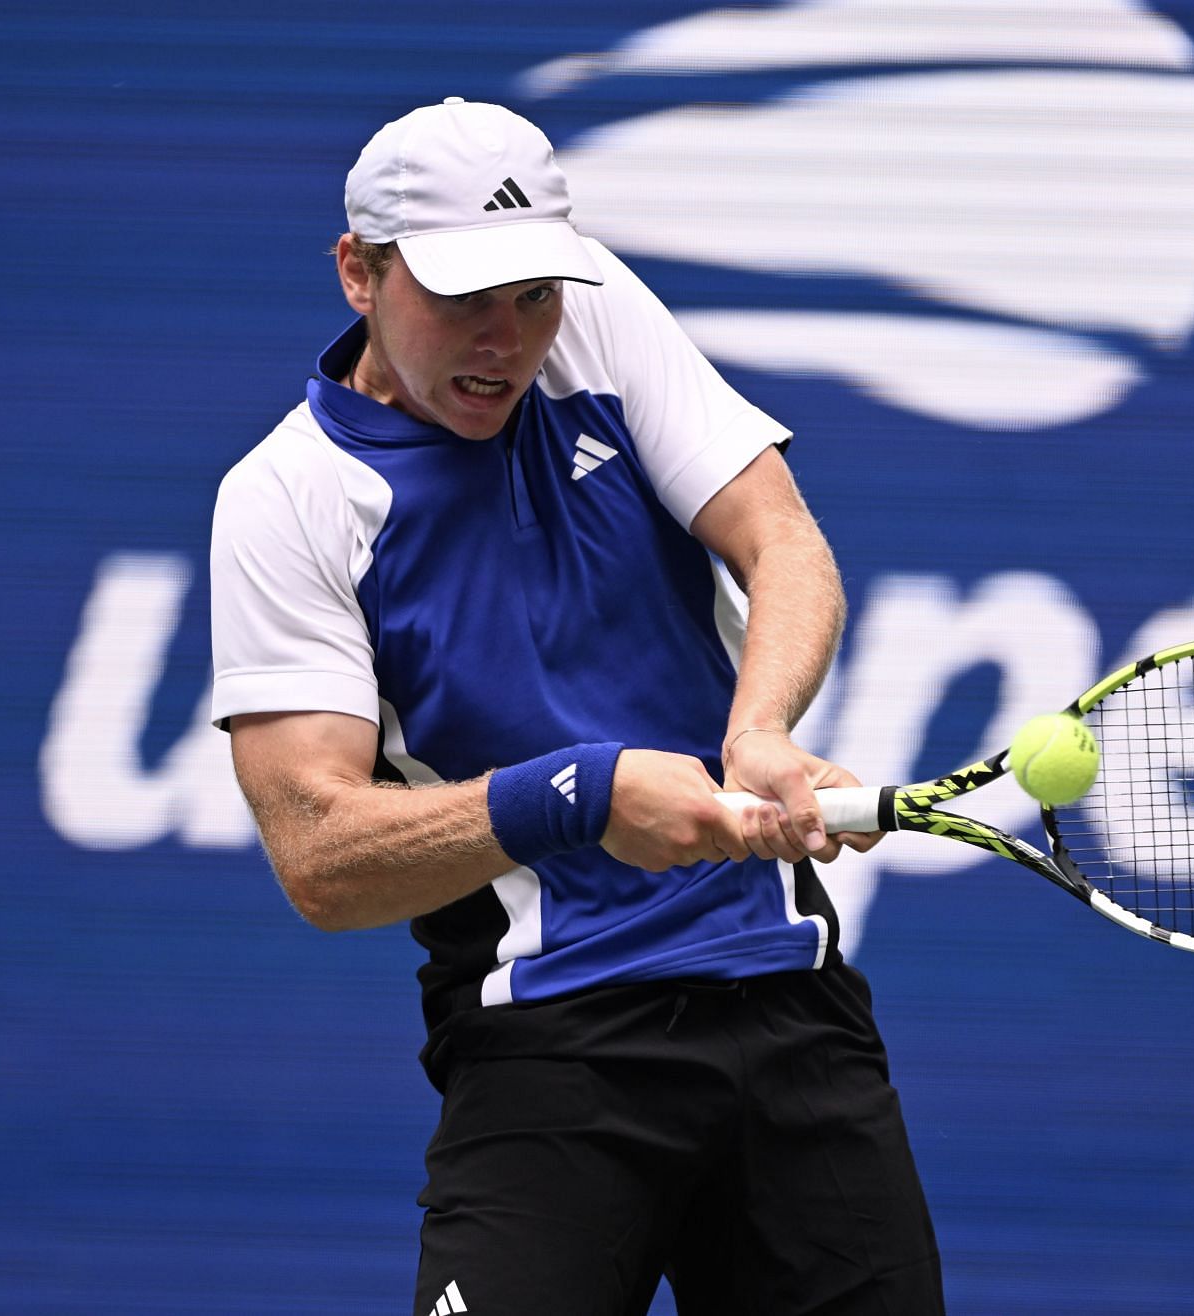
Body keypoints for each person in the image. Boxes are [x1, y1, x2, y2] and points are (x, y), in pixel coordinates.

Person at [208, 97, 944, 1315]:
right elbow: (320, 855)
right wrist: (581, 794)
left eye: (532, 295)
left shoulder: (590, 313)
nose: (508, 339)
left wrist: (755, 731)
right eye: (463, 299)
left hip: (787, 1001)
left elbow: (781, 538)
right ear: (359, 272)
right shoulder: (287, 500)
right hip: (546, 1043)